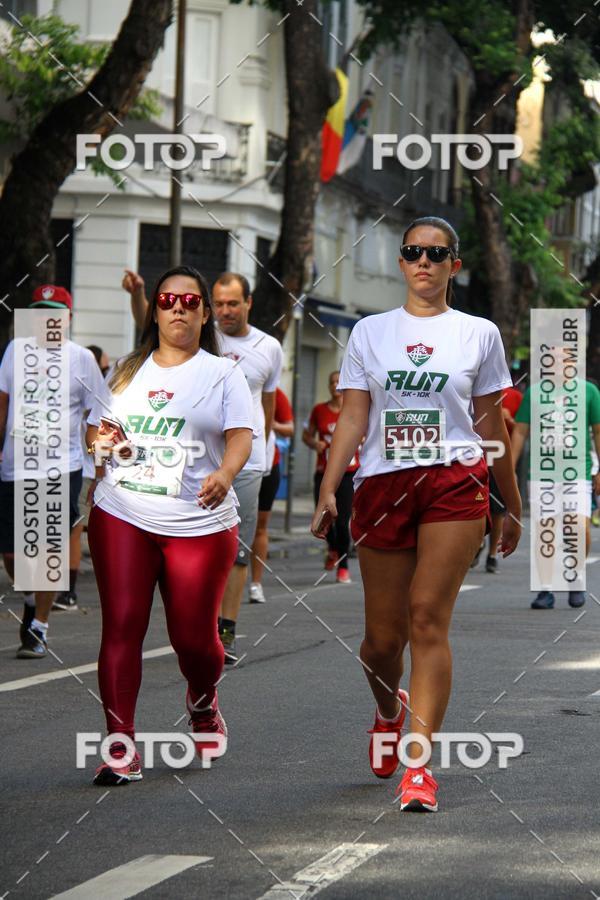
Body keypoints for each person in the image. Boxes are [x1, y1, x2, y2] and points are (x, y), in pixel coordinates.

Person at [311, 216, 521, 812]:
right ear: (402, 263)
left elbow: (489, 423)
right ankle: (386, 711)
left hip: (455, 482)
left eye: (436, 254)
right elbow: (353, 416)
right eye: (412, 253)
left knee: (427, 616)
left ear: (455, 265)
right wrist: (330, 487)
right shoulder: (369, 333)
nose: (423, 262)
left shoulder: (478, 334)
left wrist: (507, 498)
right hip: (382, 483)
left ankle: (420, 766)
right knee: (382, 640)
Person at [86, 265, 253, 785]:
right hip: (124, 512)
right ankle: (120, 745)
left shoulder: (223, 373)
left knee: (193, 639)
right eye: (166, 300)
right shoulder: (125, 372)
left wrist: (225, 473)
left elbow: (241, 436)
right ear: (155, 310)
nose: (177, 308)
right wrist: (101, 448)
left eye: (189, 301)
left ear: (205, 313)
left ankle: (203, 700)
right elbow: (99, 431)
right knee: (122, 624)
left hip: (199, 521)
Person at [122, 269, 283, 664]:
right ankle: (200, 627)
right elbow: (148, 315)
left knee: (237, 549)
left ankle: (225, 629)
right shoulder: (191, 332)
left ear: (248, 304)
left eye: (233, 303)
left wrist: (261, 452)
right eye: (220, 303)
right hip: (191, 459)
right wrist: (141, 293)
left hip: (245, 462)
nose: (226, 311)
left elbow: (267, 406)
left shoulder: (268, 347)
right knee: (195, 546)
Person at [0, 285, 104, 657]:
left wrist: (98, 460)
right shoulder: (15, 351)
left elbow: (99, 413)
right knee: (12, 553)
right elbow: (3, 403)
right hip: (15, 465)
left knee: (47, 548)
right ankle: (30, 597)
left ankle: (39, 627)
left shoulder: (81, 360)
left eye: (55, 313)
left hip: (63, 466)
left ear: (67, 318)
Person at [511, 374, 600, 609]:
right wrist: (509, 468)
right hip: (542, 475)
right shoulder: (535, 393)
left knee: (579, 528)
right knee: (545, 530)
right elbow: (520, 431)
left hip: (578, 472)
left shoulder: (589, 391)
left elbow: (598, 432)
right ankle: (545, 589)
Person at [53, 344, 110, 612]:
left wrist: (100, 472)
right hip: (75, 469)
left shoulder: (95, 398)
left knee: (74, 530)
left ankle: (69, 592)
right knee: (72, 530)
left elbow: (100, 433)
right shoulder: (84, 392)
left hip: (84, 471)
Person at [303, 370, 359, 583]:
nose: (335, 385)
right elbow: (306, 434)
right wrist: (313, 443)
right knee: (324, 520)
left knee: (343, 520)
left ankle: (343, 566)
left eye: (339, 382)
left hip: (348, 473)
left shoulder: (354, 410)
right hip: (323, 472)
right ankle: (333, 548)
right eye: (332, 382)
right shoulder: (319, 410)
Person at [471, 379, 523, 574]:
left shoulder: (514, 395)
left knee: (497, 508)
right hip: (471, 455)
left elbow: (521, 428)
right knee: (476, 504)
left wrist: (508, 419)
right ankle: (477, 543)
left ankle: (492, 553)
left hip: (497, 456)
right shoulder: (467, 385)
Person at [248, 386, 294, 603]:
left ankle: (256, 583)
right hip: (232, 465)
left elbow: (290, 428)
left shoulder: (273, 392)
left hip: (268, 463)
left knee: (260, 526)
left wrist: (267, 420)